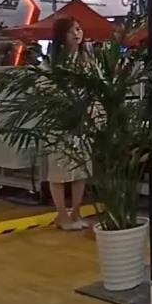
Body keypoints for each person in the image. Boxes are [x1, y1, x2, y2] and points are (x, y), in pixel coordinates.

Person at [47, 17, 91, 231]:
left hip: (82, 121)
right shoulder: (52, 62)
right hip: (59, 121)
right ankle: (62, 215)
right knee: (59, 170)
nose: (77, 33)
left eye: (79, 29)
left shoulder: (86, 60)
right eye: (71, 30)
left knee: (81, 169)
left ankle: (76, 212)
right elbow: (45, 88)